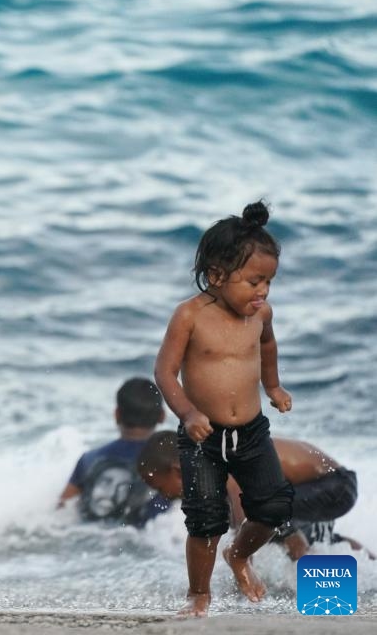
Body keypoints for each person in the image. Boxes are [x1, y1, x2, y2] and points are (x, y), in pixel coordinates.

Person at [154, 200, 294, 617]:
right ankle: (198, 594)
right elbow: (164, 373)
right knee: (205, 519)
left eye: (268, 281)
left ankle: (239, 555)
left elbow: (267, 345)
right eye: (253, 281)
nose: (263, 291)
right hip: (204, 436)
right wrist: (189, 414)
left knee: (273, 507)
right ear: (216, 275)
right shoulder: (189, 316)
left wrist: (273, 385)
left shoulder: (261, 313)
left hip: (251, 431)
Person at [138, 431, 372, 560]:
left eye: (160, 488)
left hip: (333, 484)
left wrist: (241, 571)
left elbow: (247, 519)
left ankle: (307, 574)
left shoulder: (220, 462)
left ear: (177, 471)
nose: (164, 496)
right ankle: (366, 573)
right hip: (322, 487)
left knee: (263, 519)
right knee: (314, 538)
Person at [56, 377, 170, 526]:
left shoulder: (89, 460)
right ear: (162, 416)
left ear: (116, 414)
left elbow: (61, 511)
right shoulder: (171, 463)